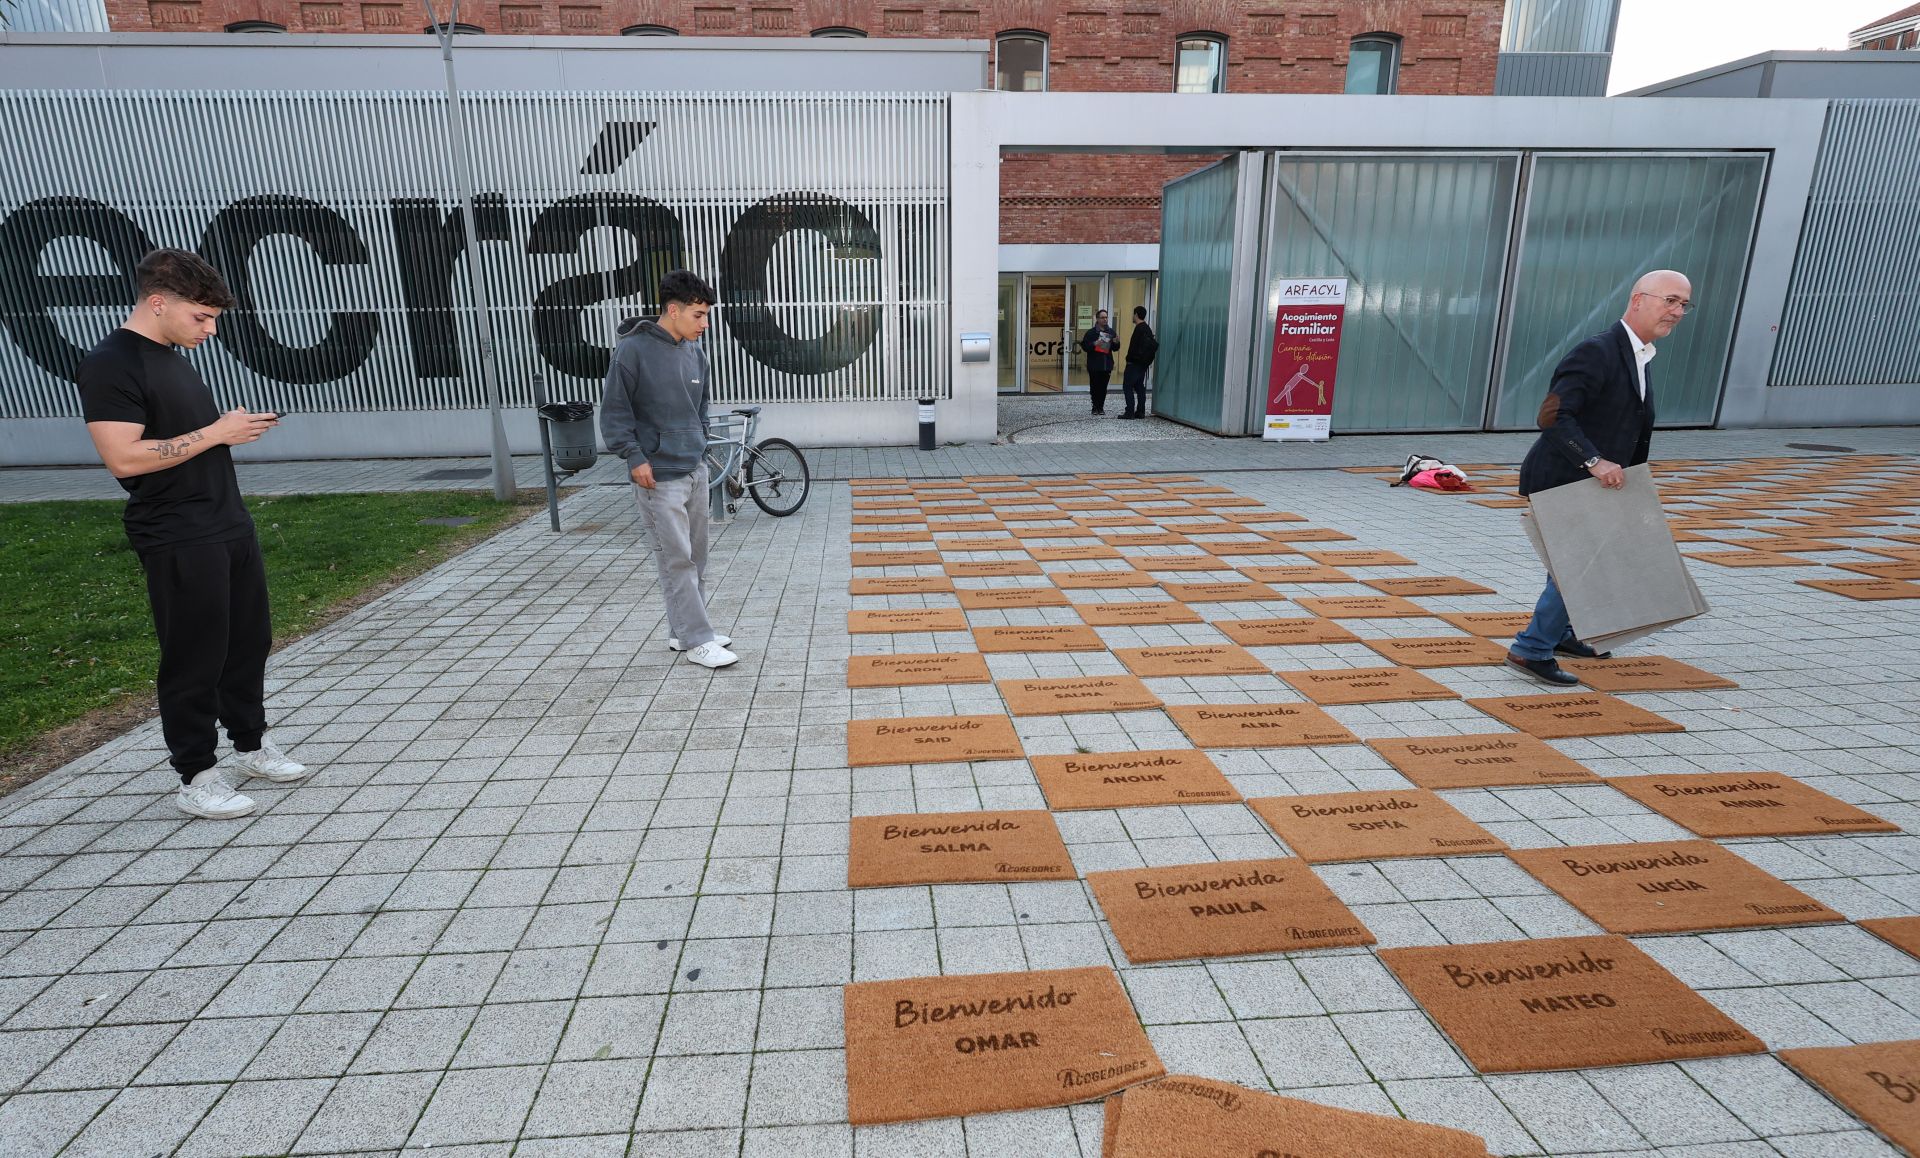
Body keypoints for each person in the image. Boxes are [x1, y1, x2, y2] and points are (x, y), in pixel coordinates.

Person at [78, 249, 310, 820]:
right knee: (194, 654)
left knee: (247, 643)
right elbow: (123, 458)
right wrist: (215, 431)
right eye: (200, 318)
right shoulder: (112, 362)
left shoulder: (173, 356)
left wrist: (228, 433)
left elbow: (183, 440)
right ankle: (196, 775)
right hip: (176, 532)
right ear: (159, 303)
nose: (209, 329)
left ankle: (251, 745)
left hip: (225, 520)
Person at [1508, 269, 1693, 686]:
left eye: (1684, 304)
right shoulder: (1598, 351)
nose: (1678, 311)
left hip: (1602, 482)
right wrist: (1593, 460)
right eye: (1669, 300)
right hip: (1564, 477)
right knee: (1577, 567)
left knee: (1578, 562)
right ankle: (1531, 648)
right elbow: (1553, 415)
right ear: (1637, 300)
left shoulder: (1640, 354)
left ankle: (1564, 634)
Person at [600, 269, 737, 670]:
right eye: (698, 315)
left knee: (697, 556)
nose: (705, 323)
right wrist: (634, 456)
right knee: (675, 558)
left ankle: (686, 631)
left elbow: (701, 408)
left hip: (692, 467)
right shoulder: (633, 350)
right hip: (657, 476)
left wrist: (700, 444)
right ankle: (698, 640)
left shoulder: (695, 352)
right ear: (673, 310)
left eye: (706, 314)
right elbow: (615, 410)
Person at [1120, 305, 1157, 419]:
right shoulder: (1147, 328)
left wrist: (1129, 359)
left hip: (1134, 363)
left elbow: (1135, 348)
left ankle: (1129, 412)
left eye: (1133, 314)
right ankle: (1140, 411)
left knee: (1127, 386)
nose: (1132, 316)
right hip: (1143, 364)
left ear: (1136, 314)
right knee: (1139, 386)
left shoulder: (1139, 329)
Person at [1079, 309, 1117, 415]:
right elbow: (1085, 347)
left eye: (1106, 317)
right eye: (1103, 317)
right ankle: (1095, 406)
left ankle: (1101, 407)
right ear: (1097, 319)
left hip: (1106, 364)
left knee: (1103, 387)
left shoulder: (1111, 332)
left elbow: (1115, 348)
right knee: (1094, 386)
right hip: (1094, 364)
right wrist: (1094, 343)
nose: (1105, 319)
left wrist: (1116, 342)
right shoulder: (1091, 333)